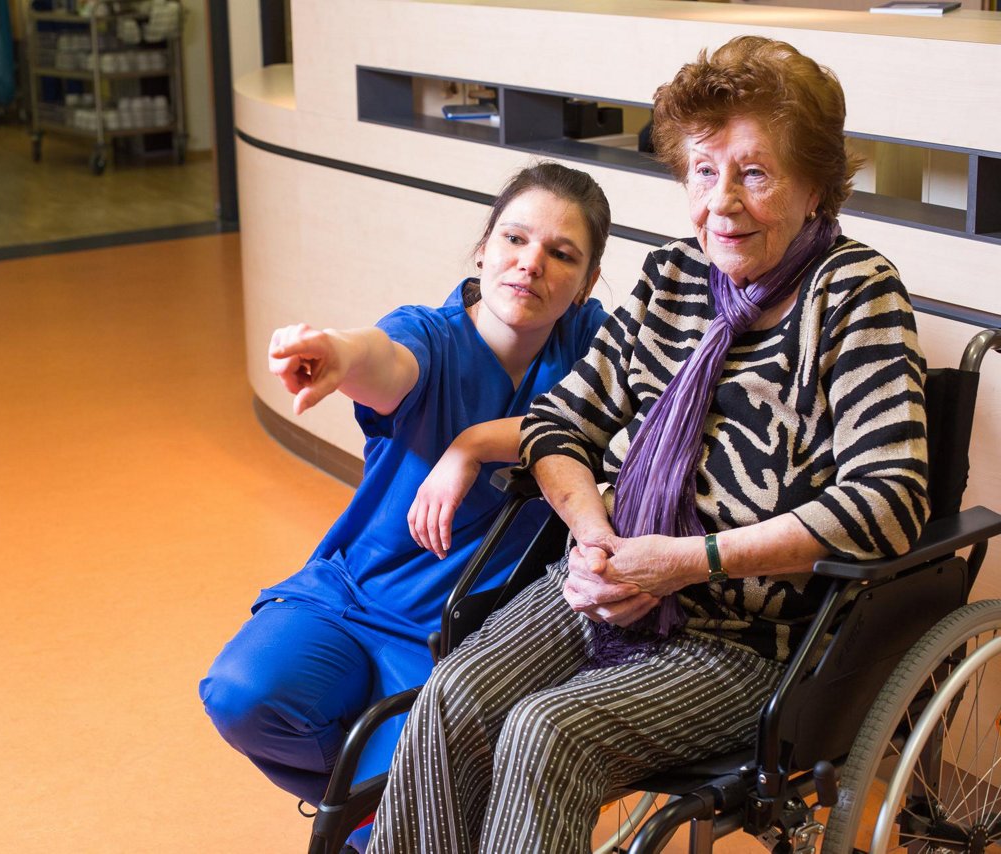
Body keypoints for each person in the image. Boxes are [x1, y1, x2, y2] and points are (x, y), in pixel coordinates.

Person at [370, 36, 929, 854]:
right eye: (705, 171)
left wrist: (686, 561)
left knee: (545, 732)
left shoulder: (855, 295)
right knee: (451, 694)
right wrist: (599, 542)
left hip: (748, 639)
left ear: (816, 186)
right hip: (610, 573)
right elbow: (560, 424)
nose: (723, 203)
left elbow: (889, 499)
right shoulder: (672, 279)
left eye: (756, 172)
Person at [199, 163, 612, 849]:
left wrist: (473, 445)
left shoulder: (589, 344)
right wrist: (336, 352)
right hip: (353, 595)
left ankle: (390, 808)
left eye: (561, 254)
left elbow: (600, 408)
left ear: (586, 282)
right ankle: (376, 809)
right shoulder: (433, 334)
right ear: (484, 248)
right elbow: (384, 359)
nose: (530, 264)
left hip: (457, 643)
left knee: (430, 781)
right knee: (241, 694)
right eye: (514, 239)